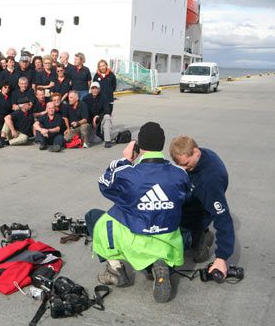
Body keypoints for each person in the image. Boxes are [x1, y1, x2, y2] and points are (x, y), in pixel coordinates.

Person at [85, 122, 190, 303]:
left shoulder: (128, 174)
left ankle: (116, 270)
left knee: (94, 216)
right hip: (167, 240)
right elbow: (186, 197)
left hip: (135, 238)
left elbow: (104, 183)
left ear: (139, 146)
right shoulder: (180, 173)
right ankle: (157, 267)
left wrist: (126, 160)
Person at [169, 136, 235, 277]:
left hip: (196, 215)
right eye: (179, 165)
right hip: (188, 201)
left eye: (186, 165)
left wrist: (221, 257)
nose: (183, 169)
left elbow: (222, 217)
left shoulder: (210, 180)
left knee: (173, 246)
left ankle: (200, 236)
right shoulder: (193, 157)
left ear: (196, 152)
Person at [83, 82, 113, 148]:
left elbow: (107, 110)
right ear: (90, 89)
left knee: (107, 117)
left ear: (99, 89)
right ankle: (100, 135)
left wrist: (98, 116)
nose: (94, 90)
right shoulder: (85, 99)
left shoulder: (104, 97)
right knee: (92, 140)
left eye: (96, 88)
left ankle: (107, 141)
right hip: (91, 122)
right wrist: (91, 120)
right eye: (93, 88)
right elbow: (84, 113)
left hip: (100, 119)